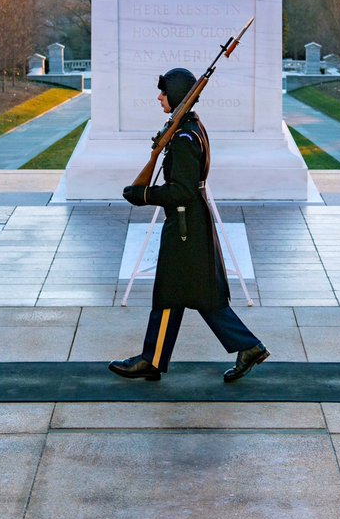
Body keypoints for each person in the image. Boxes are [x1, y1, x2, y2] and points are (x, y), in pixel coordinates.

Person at [110, 67, 269, 383]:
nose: (159, 97)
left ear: (178, 95)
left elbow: (181, 190)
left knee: (185, 295)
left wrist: (143, 194)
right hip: (190, 222)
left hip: (185, 226)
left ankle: (156, 359)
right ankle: (154, 358)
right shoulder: (189, 128)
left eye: (163, 92)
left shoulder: (183, 138)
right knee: (184, 295)